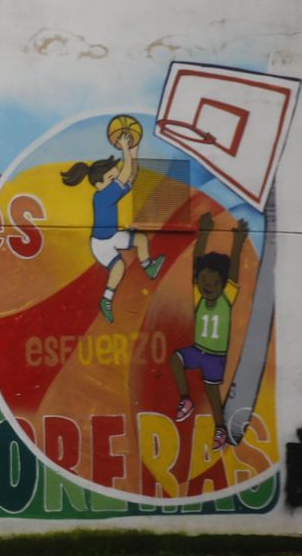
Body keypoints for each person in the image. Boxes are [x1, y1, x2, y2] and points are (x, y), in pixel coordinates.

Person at [61, 127, 165, 323]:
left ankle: (148, 267)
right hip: (101, 243)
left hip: (112, 235)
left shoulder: (109, 190)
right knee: (119, 267)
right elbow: (126, 174)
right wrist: (125, 148)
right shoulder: (103, 195)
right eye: (112, 178)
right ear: (99, 184)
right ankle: (106, 300)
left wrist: (133, 154)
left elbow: (131, 177)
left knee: (141, 239)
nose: (116, 179)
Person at [169, 213, 250, 449]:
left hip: (215, 356)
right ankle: (186, 399)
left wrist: (237, 243)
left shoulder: (226, 299)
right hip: (198, 350)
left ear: (223, 284)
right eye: (205, 283)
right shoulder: (199, 299)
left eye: (214, 284)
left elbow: (233, 271)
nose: (209, 288)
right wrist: (203, 233)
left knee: (212, 393)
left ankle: (220, 429)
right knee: (176, 359)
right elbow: (197, 261)